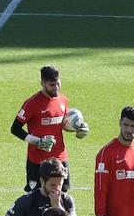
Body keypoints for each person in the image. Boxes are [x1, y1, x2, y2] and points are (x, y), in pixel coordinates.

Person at [10, 64, 87, 193]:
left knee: (62, 196)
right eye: (52, 85)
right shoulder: (31, 103)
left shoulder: (63, 100)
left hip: (60, 158)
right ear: (42, 83)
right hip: (37, 161)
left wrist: (79, 130)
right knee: (36, 200)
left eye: (58, 83)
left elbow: (64, 123)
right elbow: (15, 129)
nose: (56, 88)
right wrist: (37, 141)